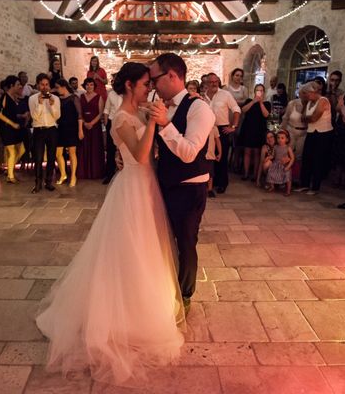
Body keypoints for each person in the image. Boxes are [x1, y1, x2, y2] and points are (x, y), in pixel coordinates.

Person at [35, 62, 184, 386]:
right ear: (130, 86)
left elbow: (147, 149)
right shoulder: (119, 118)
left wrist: (152, 120)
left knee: (144, 250)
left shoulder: (138, 113)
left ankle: (143, 304)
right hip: (131, 187)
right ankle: (122, 316)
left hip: (145, 187)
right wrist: (155, 125)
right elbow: (142, 156)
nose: (150, 88)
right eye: (145, 83)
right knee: (126, 251)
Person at [148, 53, 215, 315]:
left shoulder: (200, 108)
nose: (153, 86)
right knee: (163, 241)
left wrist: (165, 123)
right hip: (164, 183)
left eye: (155, 79)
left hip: (189, 187)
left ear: (172, 76)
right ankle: (165, 289)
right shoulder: (162, 103)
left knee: (186, 242)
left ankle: (185, 296)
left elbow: (188, 152)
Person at [203, 73, 240, 193]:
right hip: (206, 130)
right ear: (206, 83)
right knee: (207, 157)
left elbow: (236, 109)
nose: (214, 83)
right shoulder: (202, 97)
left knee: (221, 157)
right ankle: (208, 182)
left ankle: (221, 183)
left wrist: (233, 126)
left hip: (222, 129)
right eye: (211, 82)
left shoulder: (225, 94)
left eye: (216, 81)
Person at [295, 81, 333, 195]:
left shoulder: (323, 101)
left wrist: (308, 118)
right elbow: (303, 117)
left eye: (307, 93)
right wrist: (308, 118)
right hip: (311, 132)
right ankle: (304, 184)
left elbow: (314, 118)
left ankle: (315, 186)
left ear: (313, 92)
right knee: (306, 158)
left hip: (323, 133)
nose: (306, 96)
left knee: (318, 159)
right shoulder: (309, 102)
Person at [29, 73, 61, 193]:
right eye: (42, 84)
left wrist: (52, 105)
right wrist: (40, 104)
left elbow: (57, 116)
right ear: (38, 85)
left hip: (52, 129)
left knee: (51, 157)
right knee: (38, 157)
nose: (45, 87)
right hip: (39, 130)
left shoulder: (55, 98)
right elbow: (34, 117)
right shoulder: (32, 99)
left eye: (47, 84)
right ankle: (37, 183)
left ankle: (49, 182)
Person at [54, 79, 84, 187]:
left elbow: (80, 115)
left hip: (72, 127)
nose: (57, 90)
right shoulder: (57, 99)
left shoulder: (73, 98)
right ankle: (63, 174)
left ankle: (73, 176)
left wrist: (80, 130)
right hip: (60, 127)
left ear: (64, 86)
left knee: (72, 152)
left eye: (58, 87)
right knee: (58, 153)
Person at [238, 84, 270, 181]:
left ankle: (255, 174)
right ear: (254, 91)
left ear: (263, 92)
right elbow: (243, 110)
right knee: (247, 151)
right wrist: (253, 101)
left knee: (257, 152)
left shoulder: (267, 103)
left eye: (261, 90)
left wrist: (260, 103)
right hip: (248, 128)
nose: (259, 92)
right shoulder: (249, 101)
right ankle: (246, 173)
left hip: (259, 129)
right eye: (257, 90)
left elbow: (266, 114)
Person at [0, 75, 25, 184]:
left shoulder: (14, 97)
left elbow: (11, 113)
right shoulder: (5, 96)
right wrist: (12, 123)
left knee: (21, 149)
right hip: (7, 128)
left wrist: (21, 116)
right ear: (12, 85)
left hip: (15, 127)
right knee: (12, 152)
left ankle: (10, 169)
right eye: (18, 84)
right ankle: (10, 175)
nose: (20, 86)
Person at [77, 77, 105, 180]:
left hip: (95, 126)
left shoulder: (99, 97)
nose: (89, 86)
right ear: (85, 86)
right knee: (84, 148)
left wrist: (91, 123)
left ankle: (95, 173)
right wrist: (84, 123)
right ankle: (84, 173)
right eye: (88, 84)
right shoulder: (81, 97)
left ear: (94, 86)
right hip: (84, 126)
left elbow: (100, 113)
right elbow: (79, 112)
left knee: (95, 148)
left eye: (91, 85)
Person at [102, 82, 123, 184]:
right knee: (110, 149)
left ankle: (122, 174)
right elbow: (106, 109)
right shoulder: (111, 94)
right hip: (112, 121)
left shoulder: (127, 93)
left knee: (123, 148)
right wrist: (106, 123)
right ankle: (109, 174)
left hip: (124, 122)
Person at [265, 129, 294, 196]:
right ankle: (272, 186)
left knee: (287, 175)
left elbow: (292, 158)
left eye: (282, 138)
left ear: (286, 139)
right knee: (271, 172)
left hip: (284, 165)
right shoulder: (276, 147)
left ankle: (288, 190)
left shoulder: (288, 148)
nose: (280, 140)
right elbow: (273, 155)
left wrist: (288, 166)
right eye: (278, 138)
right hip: (276, 164)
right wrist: (269, 157)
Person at [205, 125, 221, 198]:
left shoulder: (214, 128)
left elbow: (217, 141)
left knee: (210, 173)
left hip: (210, 155)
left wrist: (220, 153)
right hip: (201, 155)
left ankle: (210, 189)